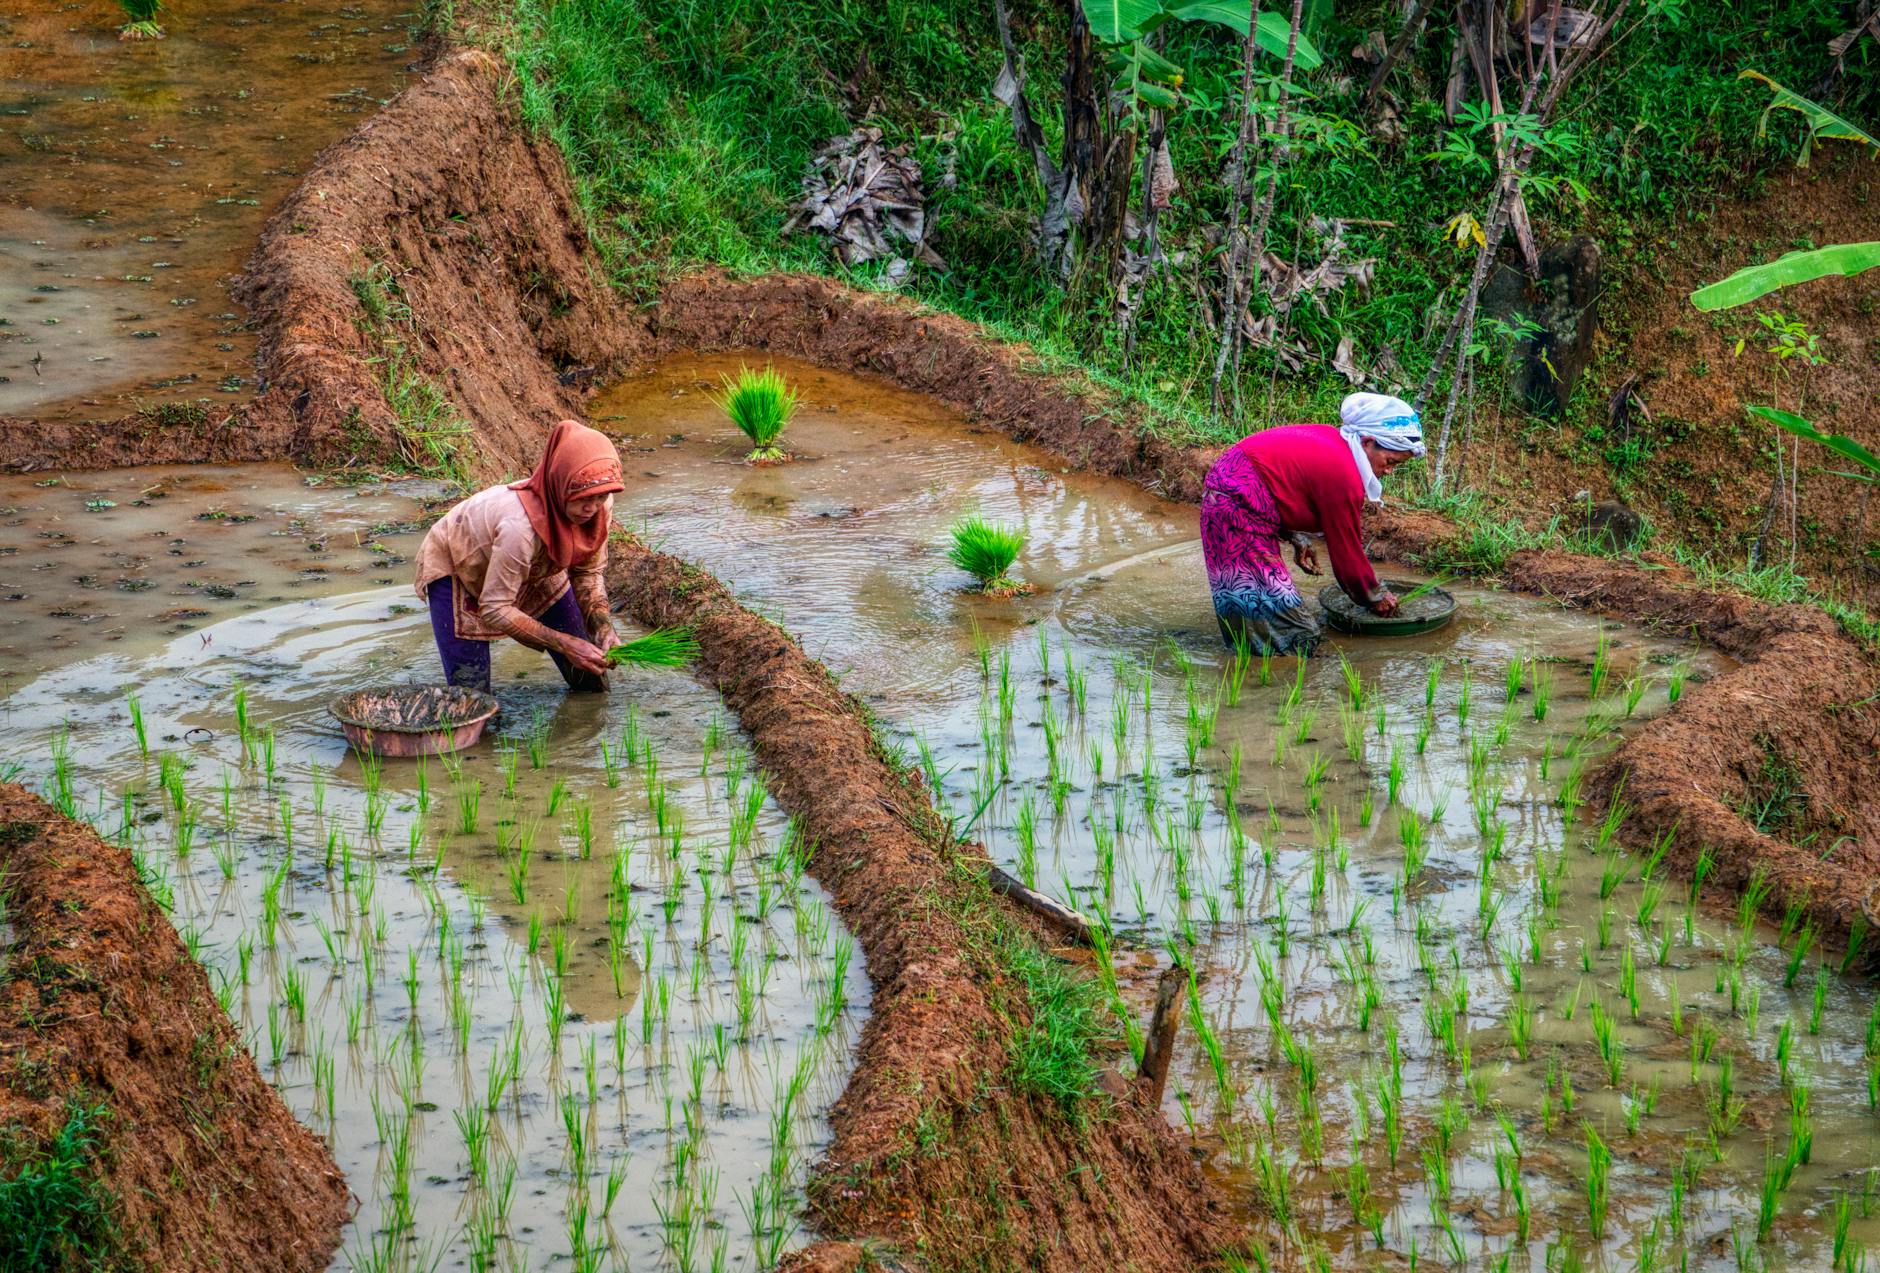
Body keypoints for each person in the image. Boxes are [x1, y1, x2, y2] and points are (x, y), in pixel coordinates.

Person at [1200, 392, 1426, 654]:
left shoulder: (1336, 444)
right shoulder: (1344, 476)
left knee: (1263, 617)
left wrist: (1294, 535)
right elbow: (1347, 554)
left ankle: (1255, 655)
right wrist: (1374, 597)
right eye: (1390, 462)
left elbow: (1278, 482)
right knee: (1294, 636)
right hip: (1233, 508)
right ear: (1368, 443)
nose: (1389, 471)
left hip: (1232, 495)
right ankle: (1259, 671)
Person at [414, 420, 624, 694]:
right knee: (472, 697)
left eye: (600, 497)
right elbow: (495, 607)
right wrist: (563, 643)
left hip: (537, 564)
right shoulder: (519, 528)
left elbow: (588, 572)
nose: (591, 508)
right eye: (583, 498)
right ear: (560, 484)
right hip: (461, 565)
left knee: (591, 678)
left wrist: (602, 626)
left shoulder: (599, 507)